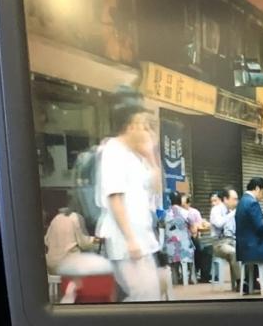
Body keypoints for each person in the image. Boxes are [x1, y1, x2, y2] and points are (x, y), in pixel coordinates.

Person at [95, 95, 163, 302]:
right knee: (144, 295)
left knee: (150, 294)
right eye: (144, 125)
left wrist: (151, 156)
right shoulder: (113, 151)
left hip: (142, 237)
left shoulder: (135, 155)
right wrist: (130, 239)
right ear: (132, 126)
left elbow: (156, 187)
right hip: (125, 240)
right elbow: (115, 197)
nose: (147, 131)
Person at [44, 205, 96, 272]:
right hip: (69, 265)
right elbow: (85, 243)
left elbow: (46, 241)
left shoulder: (55, 219)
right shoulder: (76, 217)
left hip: (52, 266)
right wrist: (98, 240)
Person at [210, 187, 242, 290]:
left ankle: (251, 281)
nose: (237, 202)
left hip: (233, 240)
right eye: (234, 199)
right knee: (234, 252)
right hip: (220, 243)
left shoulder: (232, 211)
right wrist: (232, 214)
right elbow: (218, 223)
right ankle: (241, 282)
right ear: (225, 199)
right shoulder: (216, 210)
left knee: (248, 249)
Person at [163, 195, 195, 286]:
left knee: (173, 261)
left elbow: (161, 227)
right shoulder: (186, 213)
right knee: (192, 247)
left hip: (170, 249)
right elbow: (193, 230)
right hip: (185, 248)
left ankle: (175, 280)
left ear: (170, 201)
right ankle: (190, 277)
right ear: (180, 202)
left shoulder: (164, 214)